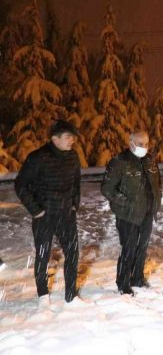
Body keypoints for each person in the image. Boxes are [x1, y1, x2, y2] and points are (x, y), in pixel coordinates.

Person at [14, 120, 82, 305]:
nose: (72, 141)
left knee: (73, 253)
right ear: (55, 138)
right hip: (45, 216)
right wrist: (36, 210)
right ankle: (43, 295)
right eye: (68, 137)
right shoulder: (37, 157)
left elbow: (76, 183)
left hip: (67, 215)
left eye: (73, 137)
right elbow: (20, 185)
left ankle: (71, 295)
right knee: (43, 255)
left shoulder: (73, 156)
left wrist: (75, 203)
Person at [101, 131, 162, 296]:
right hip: (127, 215)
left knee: (142, 248)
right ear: (131, 143)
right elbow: (107, 189)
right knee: (128, 249)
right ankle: (123, 283)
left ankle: (137, 279)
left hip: (147, 212)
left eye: (147, 144)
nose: (144, 147)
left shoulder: (150, 160)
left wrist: (157, 200)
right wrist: (126, 202)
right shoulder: (120, 162)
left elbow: (157, 183)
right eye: (140, 144)